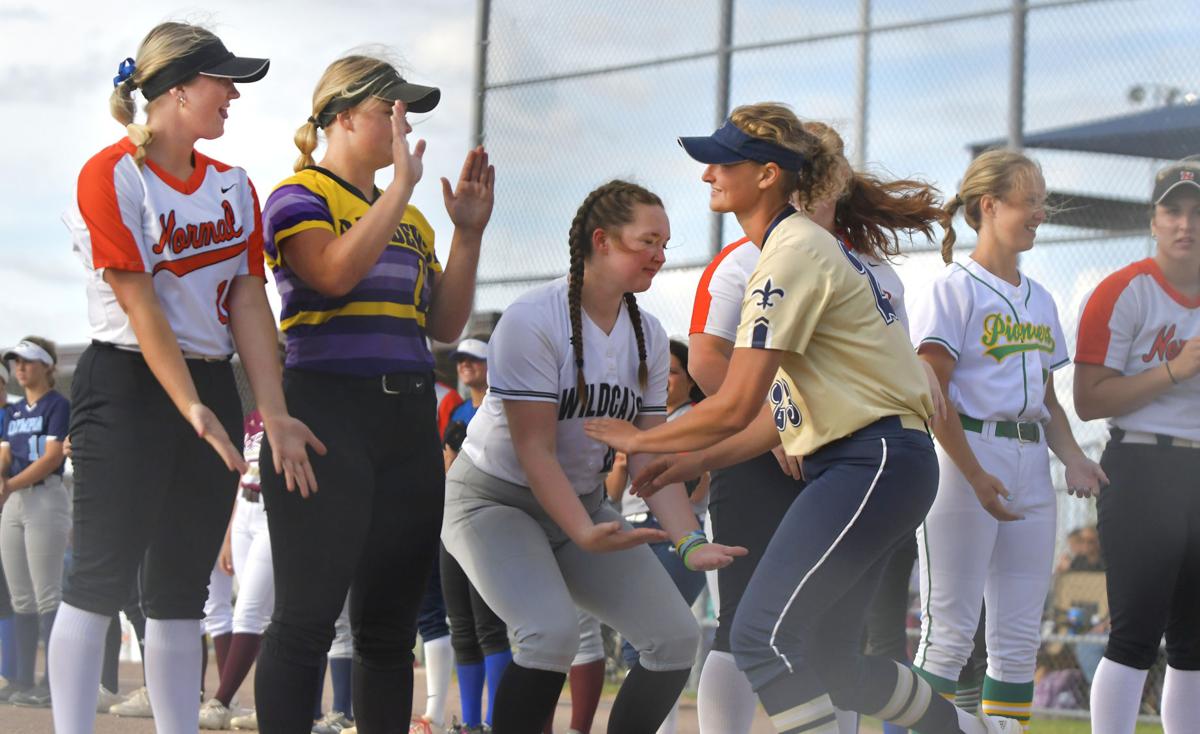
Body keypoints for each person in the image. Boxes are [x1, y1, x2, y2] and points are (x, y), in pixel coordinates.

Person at [586, 103, 1021, 734]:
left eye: (723, 161)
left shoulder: (791, 255)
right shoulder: (798, 250)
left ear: (768, 175)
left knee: (761, 637)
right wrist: (695, 459)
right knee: (833, 662)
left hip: (870, 461)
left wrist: (639, 438)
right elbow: (779, 419)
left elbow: (735, 402)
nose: (708, 174)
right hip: (878, 461)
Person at [49, 22, 324, 734]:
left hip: (207, 387)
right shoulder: (113, 172)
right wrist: (188, 406)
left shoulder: (234, 186)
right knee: (99, 579)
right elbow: (140, 305)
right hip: (127, 388)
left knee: (181, 589)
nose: (232, 95)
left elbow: (248, 302)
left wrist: (271, 407)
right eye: (220, 81)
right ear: (175, 90)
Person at [441, 179, 744, 734]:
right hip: (493, 501)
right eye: (646, 242)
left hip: (578, 502)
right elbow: (534, 450)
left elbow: (656, 457)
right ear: (601, 241)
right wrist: (582, 531)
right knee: (550, 634)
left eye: (665, 244)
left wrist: (689, 542)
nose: (660, 256)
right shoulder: (534, 317)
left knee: (674, 638)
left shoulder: (648, 335)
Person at [254, 52, 494, 733]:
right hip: (326, 412)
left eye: (408, 114)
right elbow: (330, 274)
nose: (403, 125)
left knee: (390, 630)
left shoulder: (412, 221)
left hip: (407, 420)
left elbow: (444, 325)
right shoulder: (297, 195)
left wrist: (468, 233)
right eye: (391, 110)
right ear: (341, 115)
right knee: (305, 618)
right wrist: (398, 193)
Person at [683, 119, 945, 734]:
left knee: (830, 643)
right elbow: (706, 358)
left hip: (853, 455)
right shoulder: (747, 254)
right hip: (760, 452)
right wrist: (782, 423)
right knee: (746, 623)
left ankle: (967, 727)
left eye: (829, 163)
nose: (822, 176)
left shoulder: (863, 265)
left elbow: (878, 364)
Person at [907, 148, 1107, 731]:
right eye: (1030, 201)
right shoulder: (950, 289)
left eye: (1043, 200)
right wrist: (973, 474)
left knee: (1018, 638)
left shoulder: (1040, 298)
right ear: (988, 206)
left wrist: (1074, 460)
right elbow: (933, 399)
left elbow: (1047, 402)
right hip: (964, 456)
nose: (1040, 212)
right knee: (948, 633)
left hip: (1028, 461)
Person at [1075, 159, 1200, 734]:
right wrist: (1174, 371)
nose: (1185, 224)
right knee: (1134, 635)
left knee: (1196, 642)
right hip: (1141, 464)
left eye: (1197, 212)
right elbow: (1090, 400)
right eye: (1173, 210)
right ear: (1153, 219)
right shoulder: (1123, 290)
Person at [606, 338, 708, 734]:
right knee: (641, 642)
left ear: (689, 379)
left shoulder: (697, 416)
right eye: (656, 372)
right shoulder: (636, 422)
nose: (663, 380)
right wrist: (622, 459)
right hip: (634, 530)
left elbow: (697, 490)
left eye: (673, 372)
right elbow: (613, 494)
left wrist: (663, 457)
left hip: (675, 535)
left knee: (659, 639)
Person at [431, 337, 513, 734]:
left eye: (474, 360)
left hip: (490, 522)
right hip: (453, 521)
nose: (465, 366)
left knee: (489, 626)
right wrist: (451, 452)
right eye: (461, 360)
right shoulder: (460, 412)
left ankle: (497, 721)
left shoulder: (504, 406)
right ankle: (470, 722)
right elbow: (447, 473)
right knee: (461, 626)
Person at [0, 338, 70, 707]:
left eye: (28, 361)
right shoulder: (11, 413)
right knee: (20, 595)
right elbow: (6, 453)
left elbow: (52, 456)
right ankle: (23, 680)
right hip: (14, 501)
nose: (20, 368)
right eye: (15, 362)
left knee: (47, 593)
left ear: (47, 366)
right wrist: (2, 481)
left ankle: (52, 682)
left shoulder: (58, 405)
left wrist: (8, 484)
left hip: (44, 496)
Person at [197, 410, 279, 729]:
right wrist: (231, 531)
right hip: (245, 510)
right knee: (263, 616)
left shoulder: (301, 405)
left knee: (249, 611)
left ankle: (222, 700)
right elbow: (244, 475)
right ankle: (269, 704)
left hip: (273, 512)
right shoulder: (254, 417)